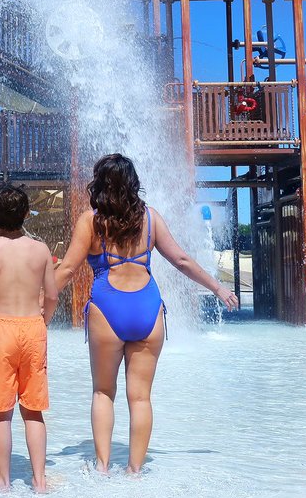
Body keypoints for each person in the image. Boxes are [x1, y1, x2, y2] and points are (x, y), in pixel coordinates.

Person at [55, 153, 239, 475]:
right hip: (147, 310)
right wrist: (217, 288)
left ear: (99, 184)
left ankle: (101, 467)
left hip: (107, 310)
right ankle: (135, 471)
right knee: (140, 398)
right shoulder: (150, 219)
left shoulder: (91, 222)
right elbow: (181, 260)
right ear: (132, 183)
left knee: (103, 392)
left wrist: (37, 301)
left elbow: (68, 269)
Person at [0, 183, 59, 492]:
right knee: (33, 410)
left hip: (0, 329)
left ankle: (3, 483)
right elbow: (52, 297)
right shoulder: (40, 250)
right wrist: (43, 322)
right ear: (26, 215)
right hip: (33, 326)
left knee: (1, 413)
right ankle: (40, 480)